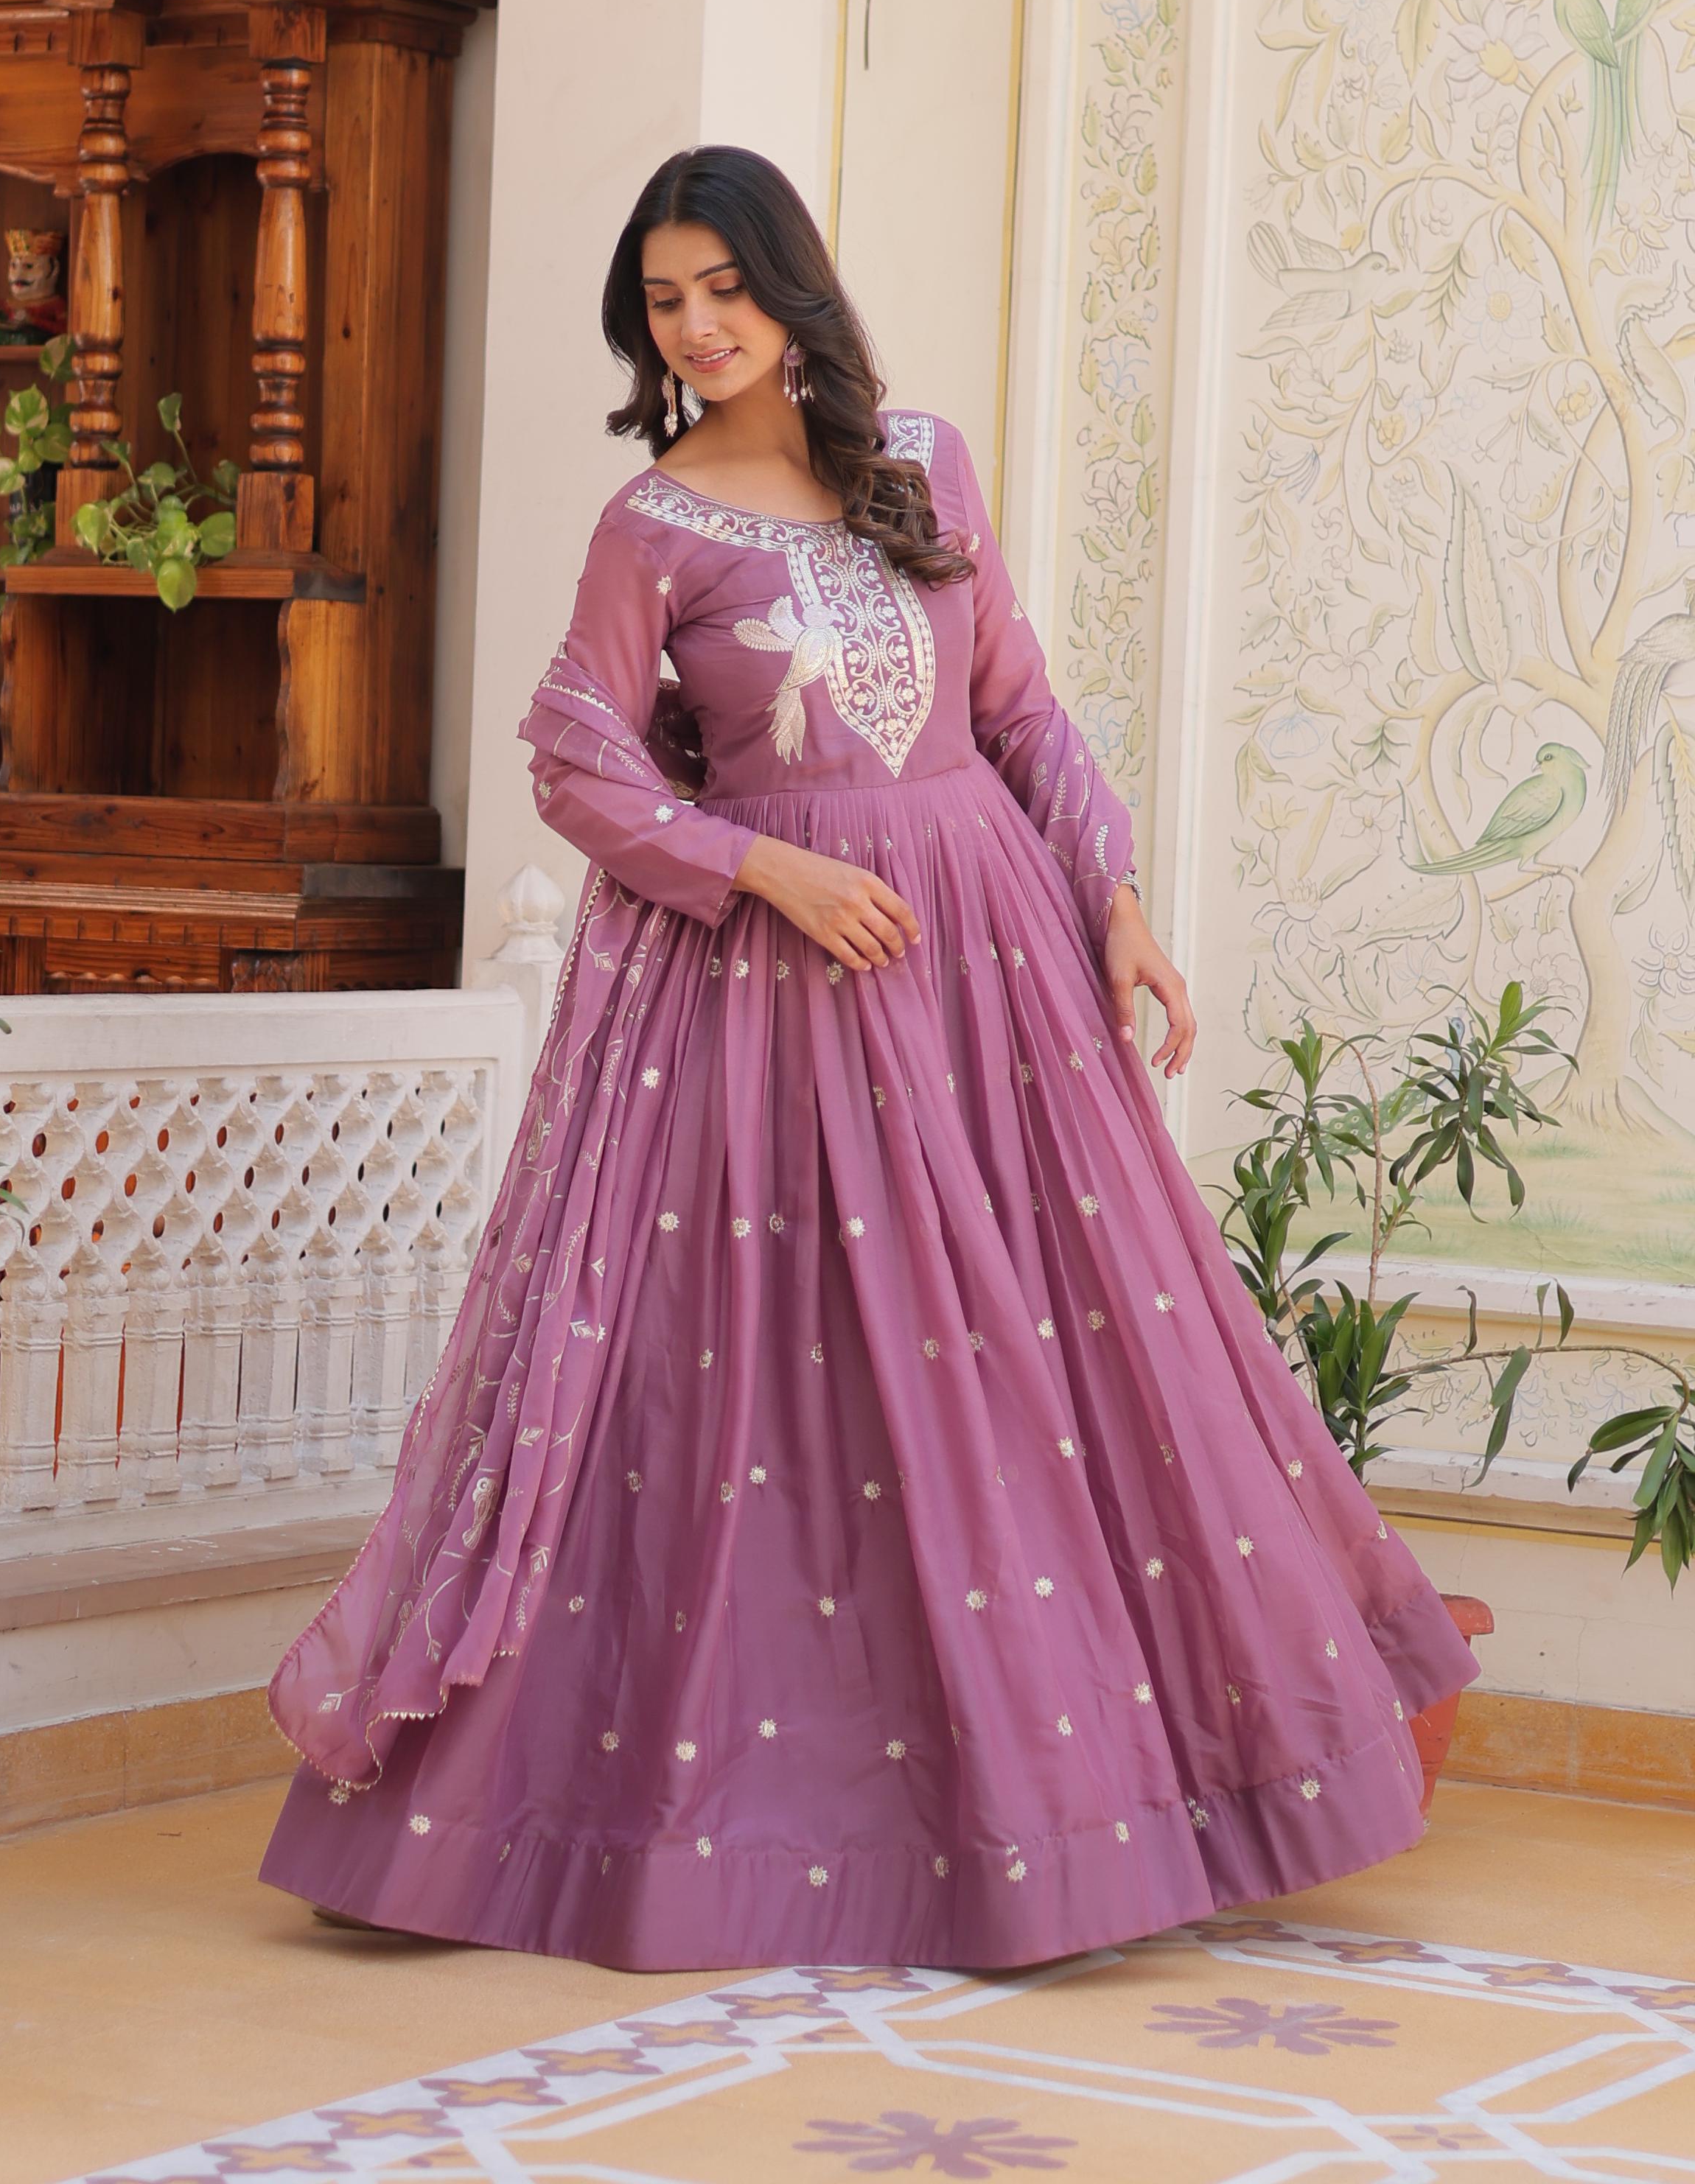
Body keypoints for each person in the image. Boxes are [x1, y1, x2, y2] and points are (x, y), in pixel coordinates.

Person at [261, 145, 1477, 1969]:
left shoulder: (923, 467)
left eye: (724, 288)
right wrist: (765, 864)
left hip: (991, 976)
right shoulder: (651, 526)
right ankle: (760, 1828)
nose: (698, 327)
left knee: (1026, 1360)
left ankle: (1084, 1810)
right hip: (779, 995)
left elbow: (1020, 710)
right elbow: (579, 762)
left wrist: (1119, 900)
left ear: (789, 287)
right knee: (798, 1397)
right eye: (665, 302)